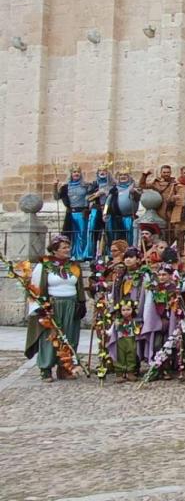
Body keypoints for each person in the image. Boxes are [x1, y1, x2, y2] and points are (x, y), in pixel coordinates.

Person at [24, 235, 86, 381]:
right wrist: (39, 306)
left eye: (68, 247)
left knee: (69, 338)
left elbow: (79, 286)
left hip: (71, 305)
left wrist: (82, 303)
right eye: (64, 247)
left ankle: (65, 368)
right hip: (52, 306)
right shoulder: (44, 266)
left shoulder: (74, 266)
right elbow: (34, 288)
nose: (68, 250)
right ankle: (45, 368)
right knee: (50, 338)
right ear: (55, 250)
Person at [54, 164, 92, 260]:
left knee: (82, 234)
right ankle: (72, 254)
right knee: (71, 234)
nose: (76, 174)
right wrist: (55, 186)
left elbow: (92, 197)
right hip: (71, 213)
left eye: (78, 172)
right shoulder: (66, 187)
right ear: (71, 174)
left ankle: (82, 254)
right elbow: (56, 197)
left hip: (82, 213)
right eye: (74, 172)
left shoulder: (85, 186)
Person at [86, 163, 115, 258]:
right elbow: (88, 198)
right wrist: (97, 194)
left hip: (108, 210)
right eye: (100, 171)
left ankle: (109, 252)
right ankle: (92, 253)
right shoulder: (94, 184)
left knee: (109, 231)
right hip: (97, 209)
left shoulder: (112, 185)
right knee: (93, 230)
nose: (102, 173)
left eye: (104, 171)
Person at [109, 167, 140, 245]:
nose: (123, 176)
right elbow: (108, 201)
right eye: (121, 175)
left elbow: (139, 196)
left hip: (130, 217)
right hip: (117, 217)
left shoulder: (134, 186)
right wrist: (105, 213)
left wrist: (134, 192)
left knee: (129, 236)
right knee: (118, 238)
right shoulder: (114, 189)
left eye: (125, 175)